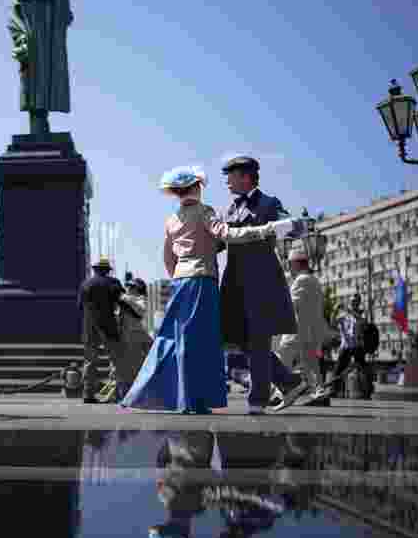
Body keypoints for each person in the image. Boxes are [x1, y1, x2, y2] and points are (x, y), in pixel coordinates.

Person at [121, 166, 301, 415]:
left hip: (180, 283)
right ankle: (195, 399)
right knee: (202, 342)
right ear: (196, 188)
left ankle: (162, 394)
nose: (225, 183)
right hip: (203, 281)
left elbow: (168, 258)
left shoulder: (171, 220)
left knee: (174, 339)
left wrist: (180, 274)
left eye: (230, 177)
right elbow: (226, 234)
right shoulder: (207, 211)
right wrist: (271, 229)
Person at [217, 156, 310, 414]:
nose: (226, 180)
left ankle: (257, 400)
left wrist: (292, 226)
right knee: (243, 342)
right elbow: (217, 243)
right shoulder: (227, 211)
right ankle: (290, 382)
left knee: (258, 340)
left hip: (261, 281)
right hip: (235, 283)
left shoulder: (269, 203)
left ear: (246, 177)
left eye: (231, 175)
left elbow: (289, 226)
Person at [9, 0, 73, 136]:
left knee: (32, 87)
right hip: (51, 49)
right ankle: (40, 128)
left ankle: (37, 126)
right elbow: (66, 18)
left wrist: (22, 39)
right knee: (47, 86)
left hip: (28, 47)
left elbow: (13, 22)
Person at [270, 247, 327, 411]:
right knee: (310, 363)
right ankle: (319, 391)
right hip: (311, 329)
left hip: (297, 328)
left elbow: (291, 304)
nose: (289, 267)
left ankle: (281, 392)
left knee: (282, 356)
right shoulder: (313, 279)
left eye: (290, 264)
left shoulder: (301, 280)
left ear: (295, 264)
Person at [79, 257, 125, 404]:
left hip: (89, 327)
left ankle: (88, 393)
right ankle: (118, 392)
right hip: (108, 326)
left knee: (90, 362)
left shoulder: (85, 284)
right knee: (116, 360)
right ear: (107, 270)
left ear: (95, 270)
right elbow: (122, 300)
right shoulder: (113, 283)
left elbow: (80, 306)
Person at [113, 278, 153, 401]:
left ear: (138, 289)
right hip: (123, 336)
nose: (129, 288)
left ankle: (134, 396)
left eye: (132, 286)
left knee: (135, 369)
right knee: (122, 370)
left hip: (135, 338)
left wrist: (125, 298)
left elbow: (140, 311)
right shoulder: (123, 301)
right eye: (128, 286)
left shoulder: (139, 300)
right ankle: (122, 395)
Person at [323, 293, 369, 395]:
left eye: (356, 301)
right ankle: (333, 390)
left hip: (357, 345)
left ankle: (367, 390)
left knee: (364, 368)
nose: (354, 303)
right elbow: (333, 324)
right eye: (352, 301)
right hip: (346, 346)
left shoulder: (362, 313)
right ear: (350, 302)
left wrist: (351, 312)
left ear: (359, 302)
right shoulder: (343, 314)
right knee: (338, 369)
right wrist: (334, 311)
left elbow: (363, 323)